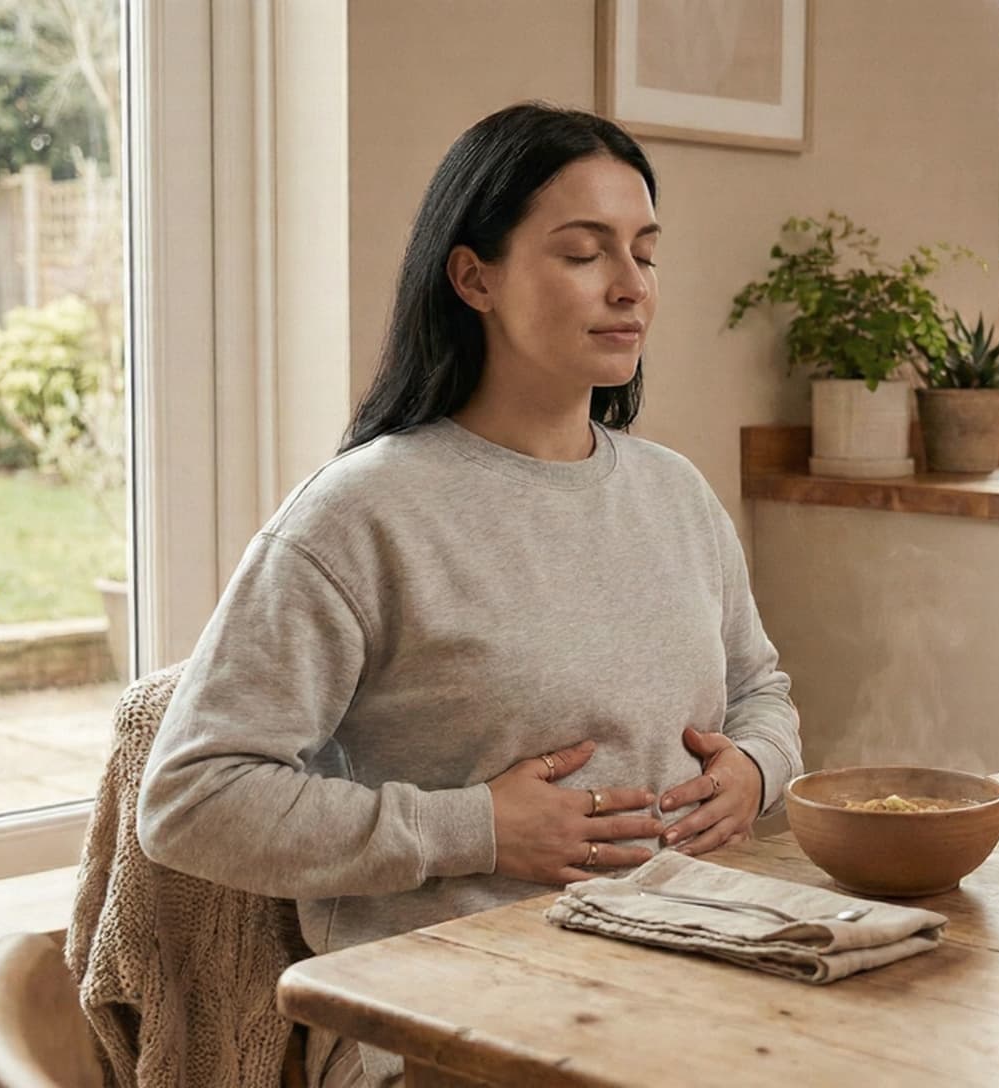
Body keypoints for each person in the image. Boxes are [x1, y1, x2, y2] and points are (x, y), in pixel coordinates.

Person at [136, 101, 803, 1087]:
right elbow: (191, 800)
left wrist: (754, 766)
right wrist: (477, 827)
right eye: (583, 253)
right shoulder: (362, 515)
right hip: (445, 1034)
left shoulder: (674, 493)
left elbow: (762, 689)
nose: (630, 288)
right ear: (472, 275)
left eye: (645, 253)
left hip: (682, 980)